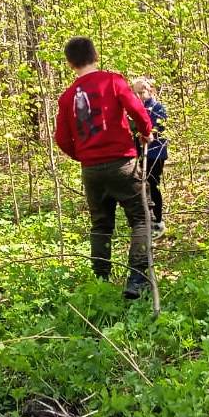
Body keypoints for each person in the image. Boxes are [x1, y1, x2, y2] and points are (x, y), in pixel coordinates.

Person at [54, 37, 153, 300]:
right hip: (122, 161)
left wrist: (84, 156)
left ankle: (101, 280)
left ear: (70, 63)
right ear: (95, 55)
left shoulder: (67, 97)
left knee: (100, 224)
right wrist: (146, 132)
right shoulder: (113, 81)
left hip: (91, 170)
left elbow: (62, 139)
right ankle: (137, 279)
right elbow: (137, 110)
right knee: (141, 218)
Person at [131, 77, 169, 238]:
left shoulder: (157, 108)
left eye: (142, 92)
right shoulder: (133, 110)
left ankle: (158, 221)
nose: (139, 96)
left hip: (155, 153)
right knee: (139, 186)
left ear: (150, 90)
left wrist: (149, 134)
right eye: (135, 93)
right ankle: (144, 220)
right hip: (137, 153)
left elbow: (159, 128)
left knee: (152, 184)